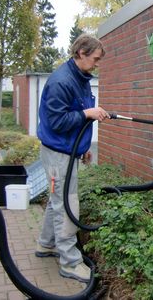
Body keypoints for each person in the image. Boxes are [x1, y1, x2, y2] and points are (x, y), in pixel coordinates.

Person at [35, 34, 109, 283]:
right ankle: (70, 262)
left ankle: (46, 244)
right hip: (58, 154)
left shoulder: (80, 78)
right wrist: (87, 112)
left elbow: (74, 117)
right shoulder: (62, 82)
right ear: (81, 53)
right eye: (95, 58)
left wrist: (82, 148)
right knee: (67, 205)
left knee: (58, 200)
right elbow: (57, 122)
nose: (97, 64)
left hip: (68, 150)